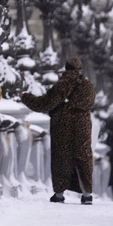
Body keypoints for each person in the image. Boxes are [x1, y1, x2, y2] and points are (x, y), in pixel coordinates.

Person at [20, 57, 96, 204]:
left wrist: (26, 97)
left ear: (66, 68)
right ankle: (87, 194)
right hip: (83, 125)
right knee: (83, 156)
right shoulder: (88, 86)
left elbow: (43, 104)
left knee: (62, 157)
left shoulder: (62, 85)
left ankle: (59, 194)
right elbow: (91, 103)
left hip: (63, 125)